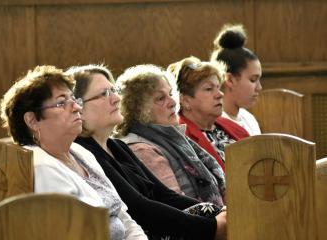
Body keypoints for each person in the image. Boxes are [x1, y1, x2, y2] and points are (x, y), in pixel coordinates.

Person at [69, 64, 227, 240]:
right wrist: (210, 227)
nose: (116, 98)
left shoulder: (117, 146)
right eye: (104, 94)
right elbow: (139, 207)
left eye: (114, 90)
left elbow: (165, 195)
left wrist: (220, 213)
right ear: (78, 106)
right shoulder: (85, 152)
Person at [0, 65, 147, 240]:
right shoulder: (40, 168)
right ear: (32, 120)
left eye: (74, 100)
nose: (77, 107)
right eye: (62, 103)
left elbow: (123, 216)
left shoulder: (80, 152)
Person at [115, 64, 225, 206]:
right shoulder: (142, 149)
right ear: (138, 108)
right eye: (161, 98)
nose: (173, 102)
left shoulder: (172, 137)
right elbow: (176, 206)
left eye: (171, 94)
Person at [167, 57, 250, 172]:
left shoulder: (233, 126)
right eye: (209, 89)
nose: (220, 94)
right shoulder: (181, 137)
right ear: (185, 100)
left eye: (218, 87)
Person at [210, 24, 262, 136]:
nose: (259, 88)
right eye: (253, 80)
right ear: (230, 79)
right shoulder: (212, 124)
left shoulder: (249, 119)